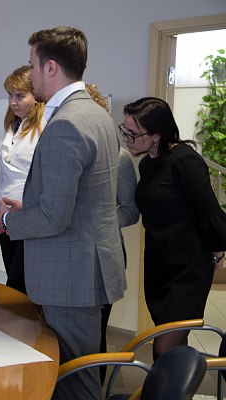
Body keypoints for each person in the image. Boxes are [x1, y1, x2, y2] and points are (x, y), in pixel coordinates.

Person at [0, 27, 126, 399]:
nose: (31, 73)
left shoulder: (66, 124)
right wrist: (30, 205)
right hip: (85, 269)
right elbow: (82, 198)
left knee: (75, 381)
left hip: (69, 276)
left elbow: (55, 218)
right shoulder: (95, 114)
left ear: (51, 67)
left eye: (33, 64)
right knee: (80, 371)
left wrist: (7, 220)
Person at [121, 97, 226, 360]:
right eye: (125, 130)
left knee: (164, 348)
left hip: (187, 270)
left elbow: (209, 211)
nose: (127, 138)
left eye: (133, 133)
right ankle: (182, 380)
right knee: (173, 344)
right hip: (160, 264)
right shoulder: (147, 164)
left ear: (156, 134)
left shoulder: (185, 160)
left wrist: (218, 254)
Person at [86, 82, 140, 383]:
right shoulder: (63, 155)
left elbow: (131, 210)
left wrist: (96, 223)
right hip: (72, 258)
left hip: (105, 256)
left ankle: (96, 389)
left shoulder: (119, 157)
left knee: (96, 336)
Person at [0, 65, 45, 292]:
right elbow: (4, 177)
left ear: (36, 96)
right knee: (13, 281)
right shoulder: (13, 125)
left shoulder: (46, 126)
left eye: (20, 96)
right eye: (10, 95)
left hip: (30, 216)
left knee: (21, 285)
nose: (12, 102)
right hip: (6, 216)